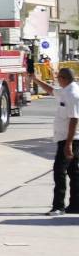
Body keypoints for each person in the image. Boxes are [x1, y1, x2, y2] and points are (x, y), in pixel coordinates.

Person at [46, 67, 79, 215]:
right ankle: (75, 205)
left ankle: (58, 206)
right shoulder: (66, 91)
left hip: (69, 140)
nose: (57, 79)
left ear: (64, 78)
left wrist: (69, 144)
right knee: (74, 173)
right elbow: (52, 91)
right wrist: (34, 79)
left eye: (58, 77)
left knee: (59, 171)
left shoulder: (72, 94)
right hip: (67, 139)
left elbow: (74, 119)